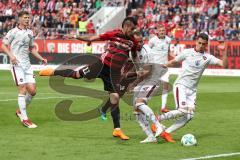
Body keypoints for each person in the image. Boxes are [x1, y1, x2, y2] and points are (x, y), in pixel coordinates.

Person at [39, 17, 138, 140]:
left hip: (113, 72)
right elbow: (91, 39)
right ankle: (53, 72)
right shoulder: (114, 33)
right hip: (100, 65)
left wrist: (136, 66)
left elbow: (134, 56)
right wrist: (76, 37)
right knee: (76, 75)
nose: (133, 31)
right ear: (126, 26)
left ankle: (117, 130)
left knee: (115, 97)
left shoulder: (133, 41)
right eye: (132, 28)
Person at [157, 33, 228, 142]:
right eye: (199, 43)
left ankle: (166, 132)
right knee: (182, 110)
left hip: (192, 91)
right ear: (196, 42)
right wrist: (163, 66)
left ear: (206, 44)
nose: (201, 45)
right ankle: (157, 120)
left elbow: (224, 64)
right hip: (181, 85)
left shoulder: (208, 57)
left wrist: (224, 51)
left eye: (204, 44)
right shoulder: (187, 52)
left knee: (189, 116)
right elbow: (174, 61)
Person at [1, 11, 47, 128]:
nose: (27, 19)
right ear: (19, 19)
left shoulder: (30, 32)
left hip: (27, 65)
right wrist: (11, 56)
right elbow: (3, 45)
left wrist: (41, 58)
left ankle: (20, 111)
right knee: (23, 88)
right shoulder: (13, 32)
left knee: (33, 91)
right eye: (25, 18)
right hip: (17, 65)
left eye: (28, 17)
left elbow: (32, 48)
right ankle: (25, 119)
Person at [131, 30, 167, 143]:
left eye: (142, 41)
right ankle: (150, 136)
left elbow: (146, 71)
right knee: (137, 110)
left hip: (153, 79)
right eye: (138, 42)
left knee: (139, 102)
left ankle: (158, 125)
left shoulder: (148, 52)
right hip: (143, 81)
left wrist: (133, 83)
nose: (141, 43)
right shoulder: (130, 52)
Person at [148, 24, 174, 113]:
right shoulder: (152, 41)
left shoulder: (168, 40)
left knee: (166, 85)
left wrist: (176, 57)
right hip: (156, 66)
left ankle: (163, 107)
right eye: (160, 31)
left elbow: (169, 52)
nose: (162, 32)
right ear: (157, 32)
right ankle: (142, 103)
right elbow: (148, 51)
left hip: (165, 66)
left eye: (163, 30)